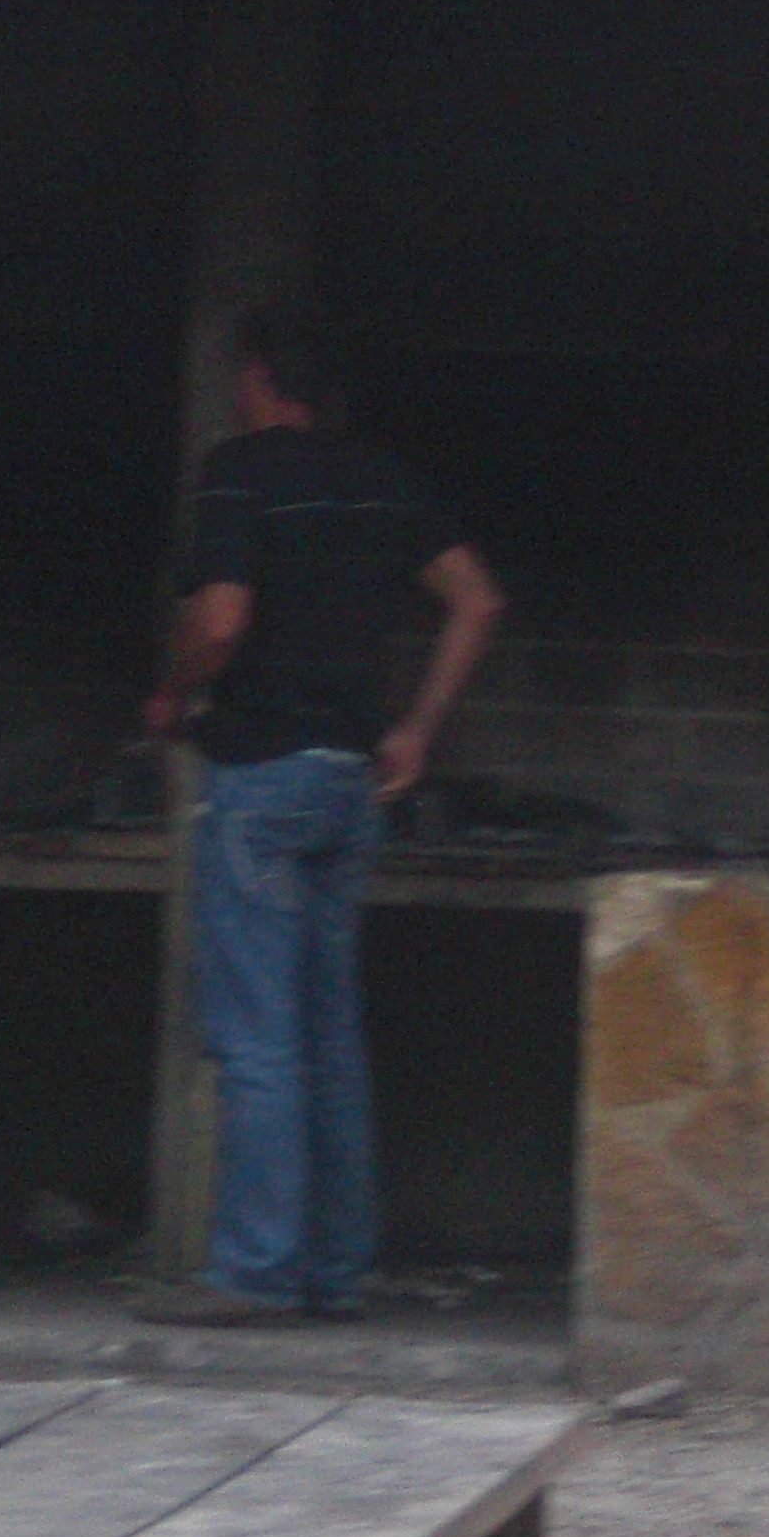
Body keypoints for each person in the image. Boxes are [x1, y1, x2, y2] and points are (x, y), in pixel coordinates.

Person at [138, 306, 506, 1326]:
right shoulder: (383, 478)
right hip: (350, 781)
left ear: (259, 379)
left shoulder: (239, 470)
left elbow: (220, 621)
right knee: (329, 1039)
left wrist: (172, 693)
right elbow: (477, 600)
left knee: (257, 1039)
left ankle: (254, 1272)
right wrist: (416, 730)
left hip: (261, 779)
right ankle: (335, 1273)